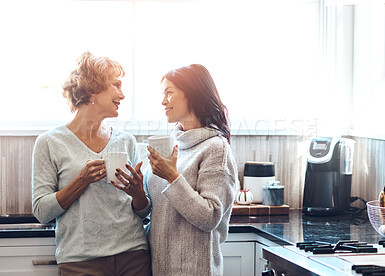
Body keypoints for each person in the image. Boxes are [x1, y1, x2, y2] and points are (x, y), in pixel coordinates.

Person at [32, 51, 151, 276]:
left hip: (133, 255)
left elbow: (144, 210)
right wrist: (81, 181)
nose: (122, 95)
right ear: (93, 89)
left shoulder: (126, 141)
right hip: (80, 261)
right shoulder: (49, 142)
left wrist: (137, 194)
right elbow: (42, 211)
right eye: (116, 85)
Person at [114, 64, 238, 276]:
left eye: (169, 93)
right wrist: (137, 194)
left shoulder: (216, 148)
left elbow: (210, 217)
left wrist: (172, 176)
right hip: (159, 266)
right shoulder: (172, 145)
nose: (163, 101)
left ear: (192, 94)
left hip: (195, 269)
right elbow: (151, 211)